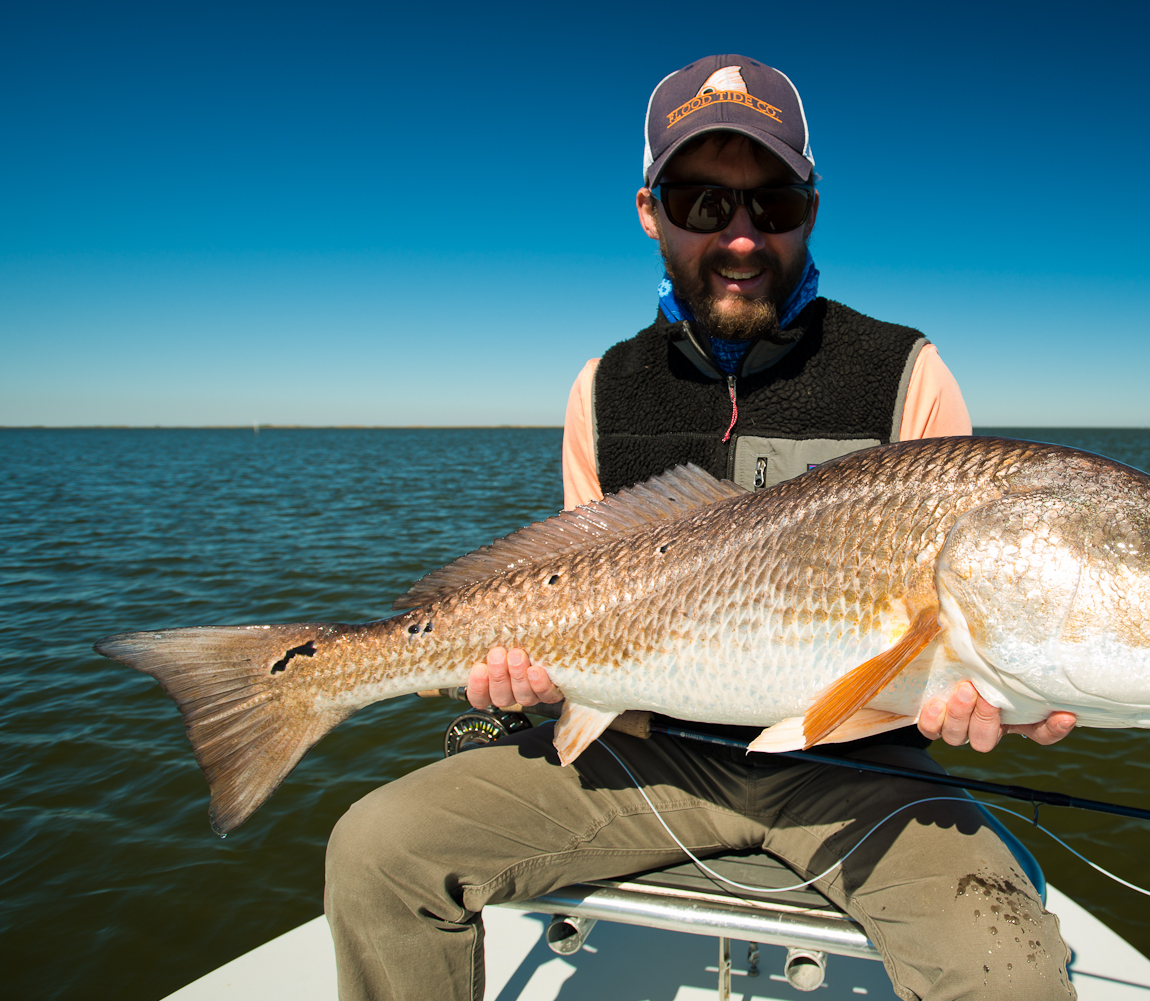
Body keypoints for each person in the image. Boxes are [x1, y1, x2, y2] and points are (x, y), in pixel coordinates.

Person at [326, 54, 1077, 1001]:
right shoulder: (602, 388)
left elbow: (966, 619)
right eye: (701, 202)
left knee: (1011, 976)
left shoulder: (905, 371)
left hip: (861, 770)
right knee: (378, 851)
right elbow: (573, 580)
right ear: (649, 210)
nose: (741, 237)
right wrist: (518, 677)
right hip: (645, 753)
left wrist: (1003, 692)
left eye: (772, 204)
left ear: (811, 207)